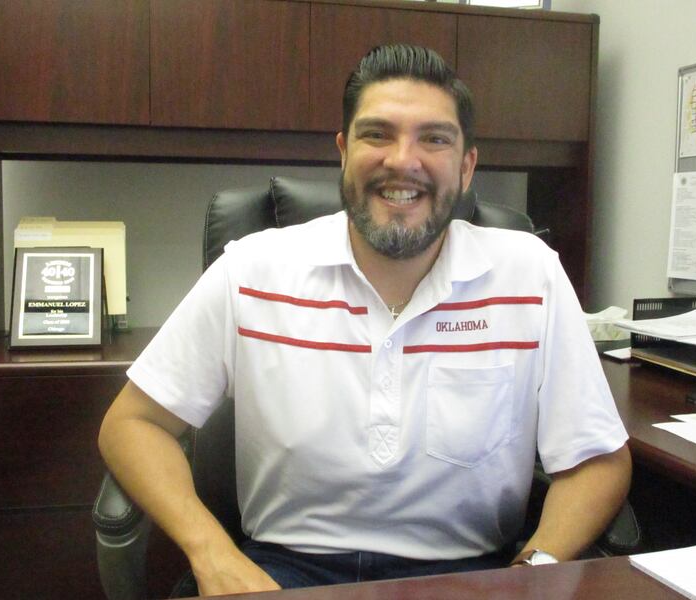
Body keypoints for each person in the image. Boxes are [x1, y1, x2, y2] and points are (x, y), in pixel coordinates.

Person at [99, 44, 631, 596]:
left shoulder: (530, 277)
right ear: (343, 152)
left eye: (435, 138)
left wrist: (534, 572)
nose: (404, 160)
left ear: (468, 166)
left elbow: (598, 460)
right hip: (281, 573)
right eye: (377, 134)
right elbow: (131, 424)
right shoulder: (252, 270)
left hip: (471, 576)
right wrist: (212, 552)